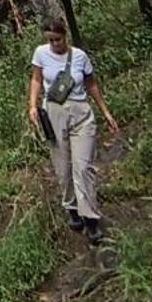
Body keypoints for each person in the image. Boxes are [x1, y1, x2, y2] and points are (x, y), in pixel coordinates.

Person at [28, 17, 119, 245]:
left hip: (81, 114)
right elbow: (36, 79)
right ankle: (71, 207)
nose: (54, 44)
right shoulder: (41, 54)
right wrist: (32, 105)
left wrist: (106, 112)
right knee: (62, 167)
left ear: (64, 36)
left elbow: (91, 85)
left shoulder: (79, 56)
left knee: (83, 167)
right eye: (50, 40)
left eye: (57, 39)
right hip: (54, 112)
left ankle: (90, 218)